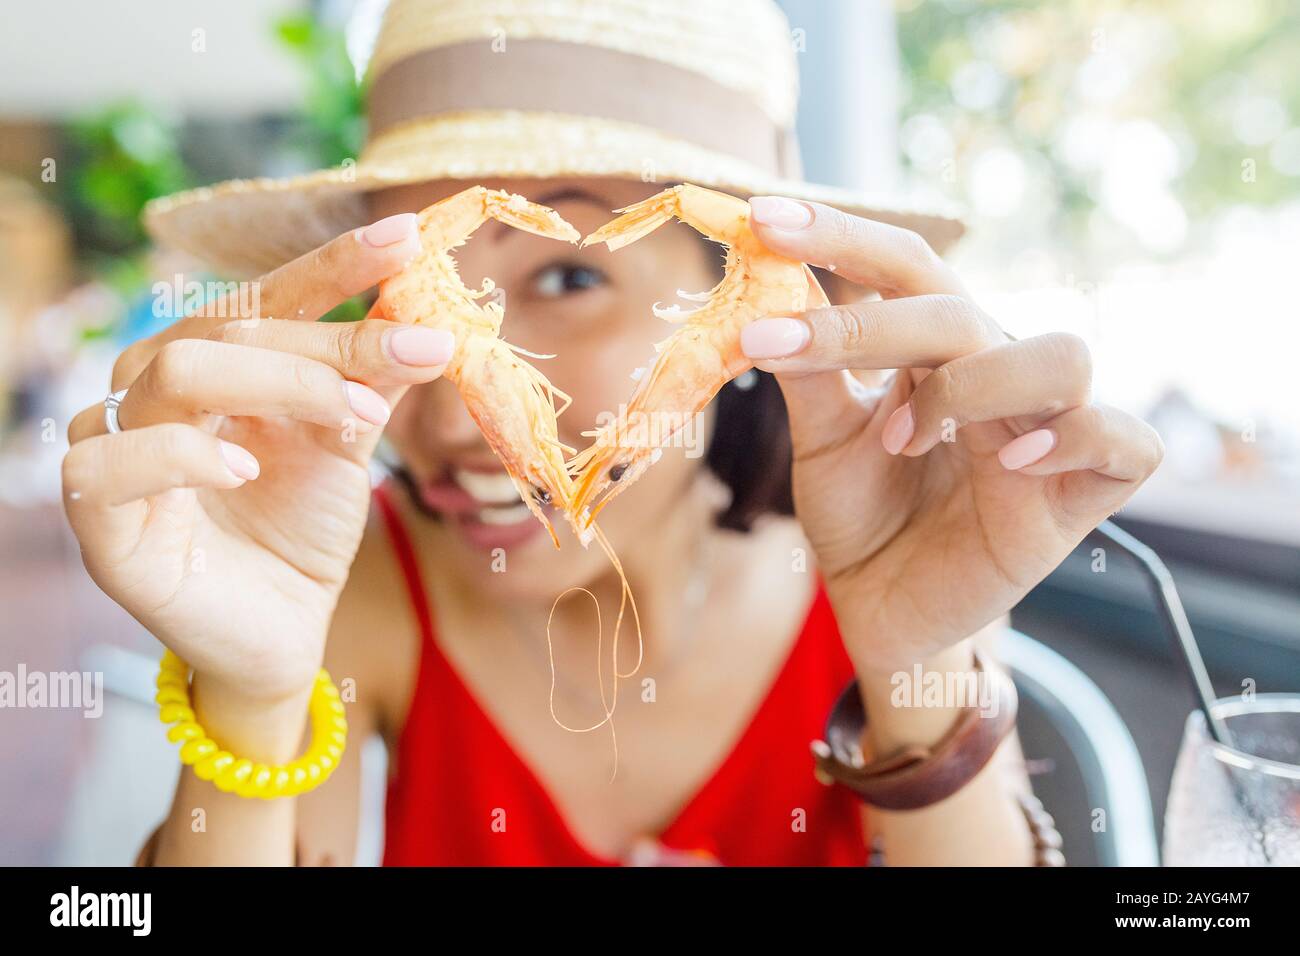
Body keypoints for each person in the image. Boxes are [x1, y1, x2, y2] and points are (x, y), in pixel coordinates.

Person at [61, 0, 1162, 866]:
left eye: (569, 273)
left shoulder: (888, 560)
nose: (443, 412)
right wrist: (248, 690)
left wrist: (919, 662)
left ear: (767, 306)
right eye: (414, 287)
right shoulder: (360, 580)